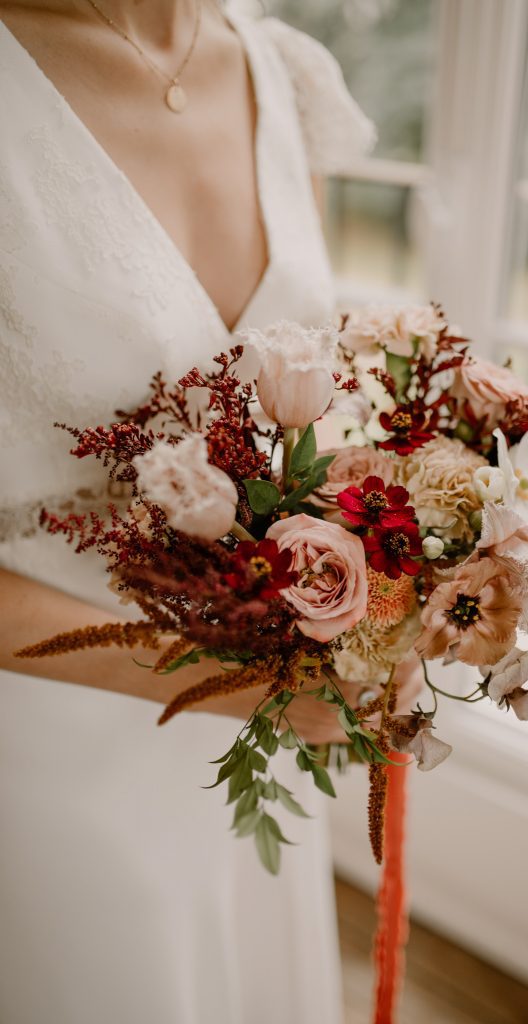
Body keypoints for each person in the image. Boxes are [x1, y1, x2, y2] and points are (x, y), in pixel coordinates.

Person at [0, 3, 424, 1021]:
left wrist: (410, 582)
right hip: (49, 746)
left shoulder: (275, 67)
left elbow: (304, 412)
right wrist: (246, 678)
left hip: (257, 752)